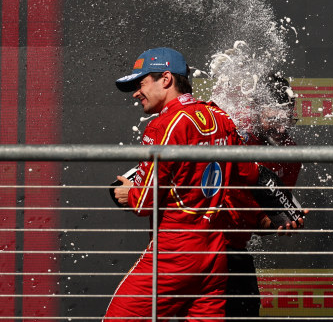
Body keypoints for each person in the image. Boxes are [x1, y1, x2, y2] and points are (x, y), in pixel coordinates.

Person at [104, 48, 302, 321]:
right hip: (214, 256)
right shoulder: (219, 117)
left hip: (177, 252)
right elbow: (252, 173)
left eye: (141, 84)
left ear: (165, 79)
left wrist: (128, 193)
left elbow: (144, 202)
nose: (137, 93)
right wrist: (282, 206)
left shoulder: (164, 126)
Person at [219, 73, 302, 318]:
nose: (280, 127)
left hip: (235, 247)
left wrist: (281, 219)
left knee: (246, 310)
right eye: (272, 118)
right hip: (206, 243)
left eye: (286, 119)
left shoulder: (290, 153)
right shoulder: (234, 134)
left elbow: (270, 217)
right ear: (255, 111)